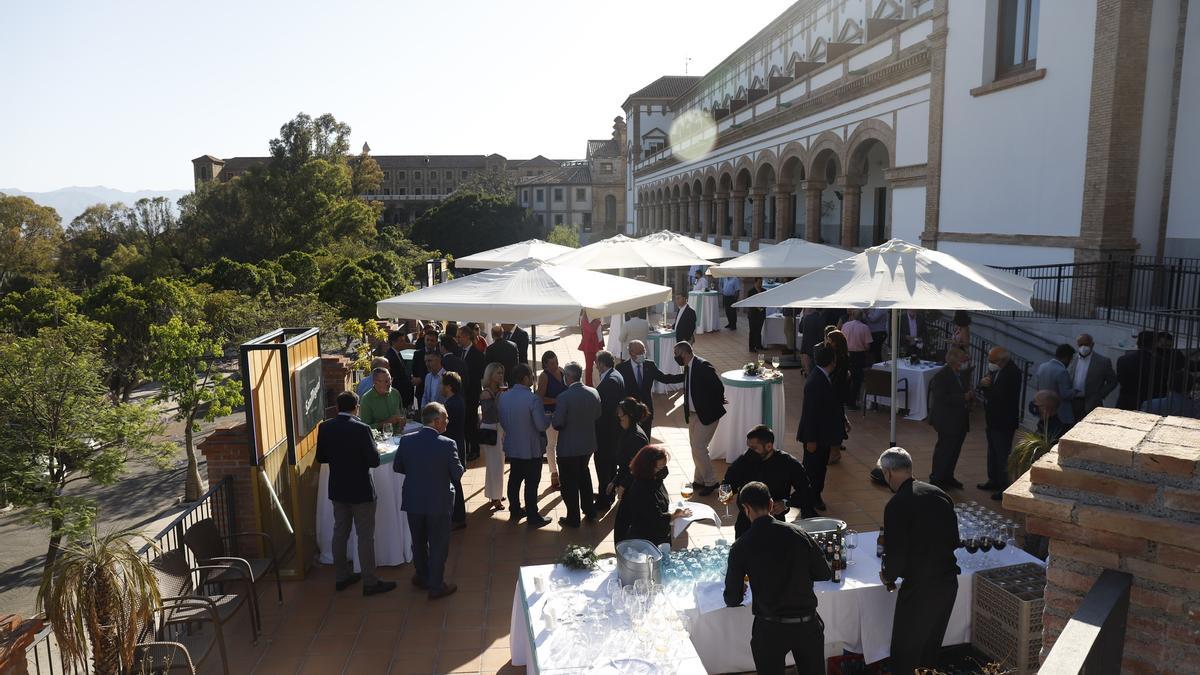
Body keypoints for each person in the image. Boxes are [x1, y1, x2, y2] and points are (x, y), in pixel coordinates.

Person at [723, 481, 830, 675]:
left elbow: (732, 598)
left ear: (746, 509)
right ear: (771, 505)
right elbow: (824, 573)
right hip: (806, 624)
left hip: (770, 628)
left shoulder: (741, 546)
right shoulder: (799, 534)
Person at [877, 448, 960, 675]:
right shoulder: (939, 494)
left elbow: (897, 554)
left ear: (888, 473)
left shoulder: (897, 505)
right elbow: (955, 540)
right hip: (948, 583)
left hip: (921, 589)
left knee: (905, 655)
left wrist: (888, 575)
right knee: (929, 651)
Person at [316, 391, 397, 596]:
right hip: (361, 489)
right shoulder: (362, 429)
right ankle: (370, 581)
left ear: (337, 407)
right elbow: (374, 461)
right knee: (365, 536)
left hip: (338, 489)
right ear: (356, 407)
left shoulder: (325, 428)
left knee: (340, 532)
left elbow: (321, 457)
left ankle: (341, 576)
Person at [393, 402, 464, 600]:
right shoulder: (448, 444)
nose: (447, 422)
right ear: (437, 421)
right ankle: (436, 585)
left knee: (418, 541)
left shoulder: (406, 442)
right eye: (446, 419)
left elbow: (398, 467)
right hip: (438, 501)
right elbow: (457, 474)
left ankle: (422, 576)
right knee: (438, 543)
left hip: (414, 500)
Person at [653, 341, 723, 494]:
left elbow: (718, 387)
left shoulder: (703, 366)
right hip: (693, 415)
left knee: (699, 448)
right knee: (695, 448)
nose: (674, 357)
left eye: (676, 354)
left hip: (706, 415)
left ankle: (711, 482)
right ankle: (699, 479)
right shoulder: (687, 367)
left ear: (684, 354)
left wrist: (711, 405)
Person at [724, 425, 817, 538]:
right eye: (748, 447)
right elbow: (728, 482)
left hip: (775, 522)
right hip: (746, 521)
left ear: (768, 446)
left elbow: (805, 490)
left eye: (754, 448)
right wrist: (725, 493)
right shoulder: (744, 460)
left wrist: (786, 503)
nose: (749, 452)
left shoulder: (788, 463)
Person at [498, 364, 551, 528]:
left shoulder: (504, 397)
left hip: (513, 446)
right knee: (531, 482)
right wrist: (549, 417)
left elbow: (503, 421)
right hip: (531, 448)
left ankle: (514, 509)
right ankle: (533, 516)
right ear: (526, 378)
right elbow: (541, 425)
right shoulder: (532, 398)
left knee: (514, 479)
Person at [551, 362, 602, 527]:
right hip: (588, 445)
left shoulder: (563, 397)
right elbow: (597, 415)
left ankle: (573, 517)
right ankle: (589, 510)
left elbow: (558, 423)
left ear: (568, 377)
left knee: (568, 483)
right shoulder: (593, 392)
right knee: (584, 476)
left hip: (569, 448)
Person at [796, 345, 843, 511]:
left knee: (820, 468)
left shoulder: (822, 376)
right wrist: (811, 439)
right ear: (832, 361)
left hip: (822, 434)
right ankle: (808, 501)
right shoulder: (816, 381)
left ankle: (815, 496)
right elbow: (810, 413)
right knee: (812, 470)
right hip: (815, 436)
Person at [614, 445, 690, 545]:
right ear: (647, 467)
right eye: (660, 467)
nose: (663, 470)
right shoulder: (641, 488)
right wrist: (676, 515)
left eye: (665, 466)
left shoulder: (654, 478)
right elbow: (656, 519)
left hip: (653, 534)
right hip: (643, 541)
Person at [977, 347, 1021, 500]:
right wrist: (982, 384)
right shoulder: (997, 370)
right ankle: (993, 479)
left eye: (992, 361)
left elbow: (999, 397)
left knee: (1002, 454)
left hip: (1004, 421)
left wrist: (985, 387)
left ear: (1002, 360)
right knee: (992, 451)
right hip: (993, 419)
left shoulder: (1012, 373)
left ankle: (1004, 486)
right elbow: (987, 385)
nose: (990, 364)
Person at [928, 347, 973, 490]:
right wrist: (963, 397)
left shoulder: (959, 374)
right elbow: (941, 397)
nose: (964, 361)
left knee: (955, 450)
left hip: (959, 419)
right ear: (954, 360)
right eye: (962, 359)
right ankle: (937, 478)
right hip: (947, 420)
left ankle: (948, 476)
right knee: (944, 450)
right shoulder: (941, 375)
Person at [593, 350, 625, 512]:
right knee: (610, 465)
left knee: (604, 465)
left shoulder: (611, 381)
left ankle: (604, 498)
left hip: (607, 433)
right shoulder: (615, 375)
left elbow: (609, 410)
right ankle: (609, 493)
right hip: (611, 432)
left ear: (602, 364)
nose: (595, 366)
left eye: (596, 363)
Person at [616, 339, 669, 437]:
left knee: (646, 437)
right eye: (639, 353)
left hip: (646, 411)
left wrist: (685, 376)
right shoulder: (621, 368)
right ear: (631, 353)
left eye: (643, 351)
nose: (643, 355)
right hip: (629, 411)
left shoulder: (650, 365)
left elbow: (664, 378)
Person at [439, 371, 468, 529]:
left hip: (453, 447)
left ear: (449, 387)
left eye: (443, 385)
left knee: (454, 483)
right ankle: (458, 517)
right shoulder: (456, 401)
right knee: (455, 482)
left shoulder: (451, 405)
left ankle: (458, 518)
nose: (441, 388)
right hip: (458, 444)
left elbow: (445, 429)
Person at [1069, 333, 1118, 421]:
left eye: (1086, 344)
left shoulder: (1103, 361)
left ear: (1092, 344)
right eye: (1080, 345)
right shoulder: (1073, 358)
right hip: (1073, 401)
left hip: (1092, 403)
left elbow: (1113, 381)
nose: (1083, 347)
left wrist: (1100, 395)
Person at [536, 351, 567, 490]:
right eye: (552, 363)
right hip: (550, 414)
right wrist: (557, 400)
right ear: (545, 365)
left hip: (563, 413)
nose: (556, 365)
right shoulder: (543, 377)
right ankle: (554, 473)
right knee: (551, 444)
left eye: (556, 361)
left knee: (563, 443)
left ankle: (564, 472)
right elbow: (540, 398)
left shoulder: (561, 371)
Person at [454, 327, 485, 461]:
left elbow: (480, 374)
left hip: (472, 393)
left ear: (467, 337)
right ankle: (467, 448)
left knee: (471, 421)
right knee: (465, 421)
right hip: (461, 392)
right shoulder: (459, 352)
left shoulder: (477, 354)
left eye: (460, 337)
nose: (458, 339)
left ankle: (475, 449)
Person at [609, 397, 650, 497]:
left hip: (638, 489)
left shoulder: (636, 438)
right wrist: (615, 481)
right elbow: (626, 465)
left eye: (621, 415)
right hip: (632, 485)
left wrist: (623, 485)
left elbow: (637, 468)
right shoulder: (628, 431)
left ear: (630, 416)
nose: (619, 417)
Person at [479, 363, 506, 510]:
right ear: (490, 375)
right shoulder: (486, 393)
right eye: (498, 373)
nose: (501, 376)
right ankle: (496, 497)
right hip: (490, 429)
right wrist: (501, 396)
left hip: (498, 428)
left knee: (498, 463)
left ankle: (494, 493)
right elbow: (491, 414)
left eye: (502, 373)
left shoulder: (498, 391)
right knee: (494, 465)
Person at [1035, 344, 1078, 429]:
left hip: (1044, 412)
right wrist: (1076, 390)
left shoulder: (1042, 366)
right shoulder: (1062, 372)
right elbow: (1065, 394)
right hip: (1060, 415)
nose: (1070, 362)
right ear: (1066, 357)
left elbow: (1038, 388)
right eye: (1070, 359)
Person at [841, 309, 873, 411]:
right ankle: (852, 402)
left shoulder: (845, 325)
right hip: (858, 355)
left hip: (846, 354)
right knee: (856, 379)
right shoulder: (864, 328)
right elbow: (867, 346)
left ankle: (845, 400)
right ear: (862, 316)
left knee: (847, 378)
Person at [1116, 330, 1157, 410]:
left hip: (1125, 402)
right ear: (1154, 344)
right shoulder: (1158, 362)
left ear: (1138, 343)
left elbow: (1120, 379)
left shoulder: (1123, 359)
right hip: (1147, 403)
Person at [384, 330, 415, 410]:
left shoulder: (397, 353)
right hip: (398, 391)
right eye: (401, 341)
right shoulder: (390, 356)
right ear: (394, 342)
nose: (404, 343)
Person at [411, 330, 440, 402]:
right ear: (424, 340)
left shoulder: (440, 354)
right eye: (427, 340)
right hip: (421, 391)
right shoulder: (417, 354)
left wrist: (421, 378)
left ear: (436, 342)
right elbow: (414, 371)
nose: (429, 342)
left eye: (432, 340)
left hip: (437, 391)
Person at [579, 310, 604, 386]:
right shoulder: (588, 319)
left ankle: (594, 384)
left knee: (596, 367)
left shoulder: (585, 318)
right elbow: (594, 331)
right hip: (592, 346)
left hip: (592, 345)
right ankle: (592, 385)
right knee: (594, 368)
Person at [798, 308, 824, 374]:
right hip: (816, 346)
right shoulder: (821, 318)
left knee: (808, 368)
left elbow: (800, 329)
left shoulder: (806, 318)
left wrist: (804, 316)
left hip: (806, 346)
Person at [746, 278, 767, 352]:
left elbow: (767, 301)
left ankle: (758, 345)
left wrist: (762, 307)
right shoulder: (750, 291)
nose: (760, 284)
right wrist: (757, 307)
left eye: (761, 283)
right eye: (759, 282)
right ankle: (751, 347)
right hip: (753, 314)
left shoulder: (764, 291)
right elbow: (749, 302)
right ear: (755, 283)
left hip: (761, 314)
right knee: (752, 331)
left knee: (759, 330)